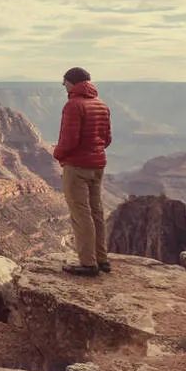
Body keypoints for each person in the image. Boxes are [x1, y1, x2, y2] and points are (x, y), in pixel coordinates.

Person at [52, 67, 112, 276]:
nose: (63, 85)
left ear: (72, 82)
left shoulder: (73, 105)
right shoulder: (101, 105)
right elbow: (107, 139)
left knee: (80, 214)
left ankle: (88, 263)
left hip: (77, 167)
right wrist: (93, 150)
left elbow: (69, 141)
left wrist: (57, 154)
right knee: (96, 211)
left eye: (64, 81)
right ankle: (102, 259)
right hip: (98, 165)